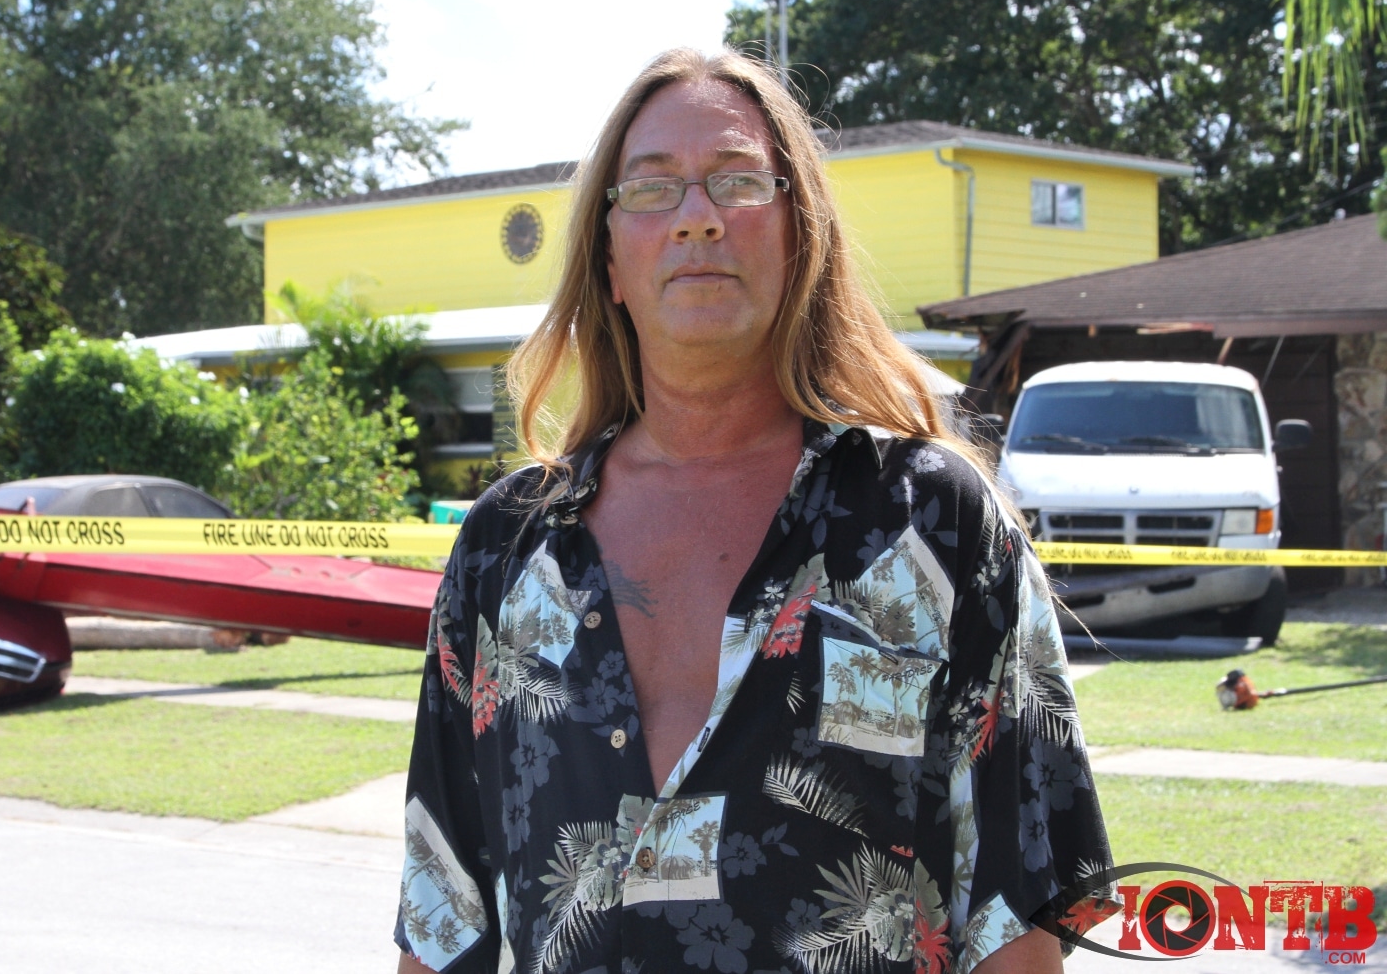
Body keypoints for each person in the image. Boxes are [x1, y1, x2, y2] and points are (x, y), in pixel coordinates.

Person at [396, 48, 1110, 974]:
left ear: (799, 236)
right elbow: (443, 918)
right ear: (609, 262)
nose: (697, 217)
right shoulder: (504, 550)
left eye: (737, 181)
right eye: (652, 188)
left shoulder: (934, 525)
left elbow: (1016, 922)